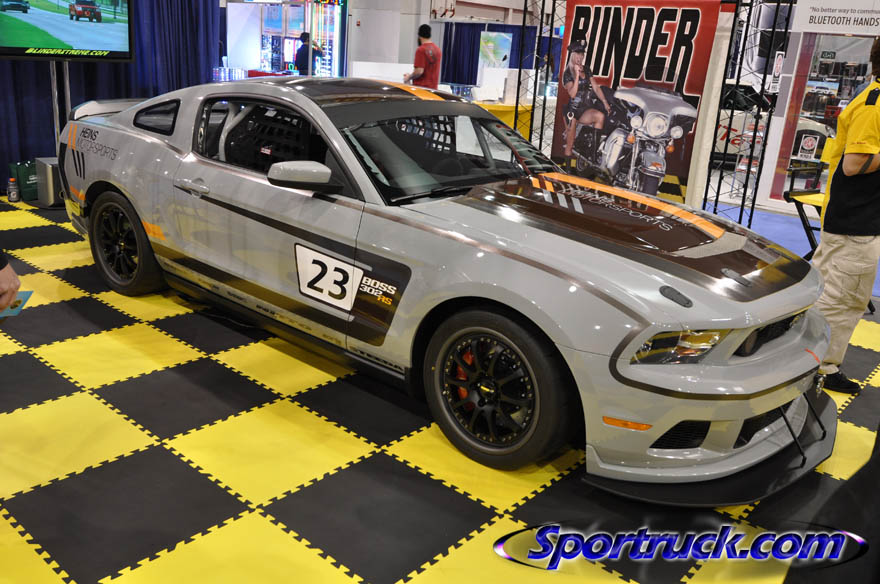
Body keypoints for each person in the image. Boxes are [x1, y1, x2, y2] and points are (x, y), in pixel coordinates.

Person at [811, 38, 880, 394]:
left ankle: (811, 364)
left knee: (832, 293)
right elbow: (854, 165)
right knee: (843, 300)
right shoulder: (874, 103)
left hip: (854, 219)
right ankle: (820, 369)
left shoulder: (873, 98)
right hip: (855, 223)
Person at [562, 41, 611, 157]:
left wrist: (605, 102)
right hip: (573, 110)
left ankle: (593, 153)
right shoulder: (567, 73)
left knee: (600, 116)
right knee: (570, 144)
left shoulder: (587, 70)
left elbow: (596, 88)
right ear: (572, 55)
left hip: (586, 108)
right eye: (577, 54)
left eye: (582, 54)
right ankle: (566, 166)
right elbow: (572, 94)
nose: (580, 57)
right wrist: (577, 75)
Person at [403, 24, 442, 90]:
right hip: (433, 89)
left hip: (421, 89)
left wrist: (409, 77)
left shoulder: (421, 50)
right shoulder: (438, 50)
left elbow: (419, 71)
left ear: (419, 36)